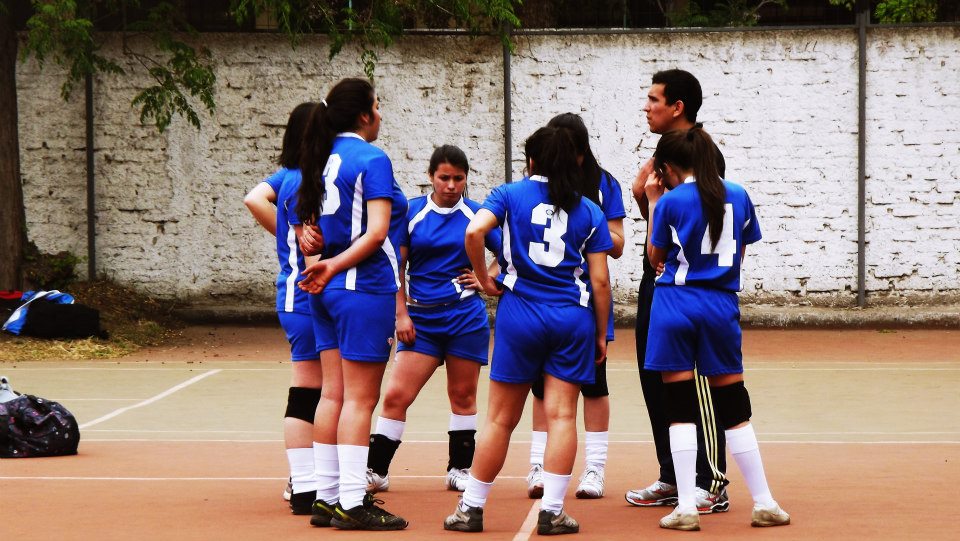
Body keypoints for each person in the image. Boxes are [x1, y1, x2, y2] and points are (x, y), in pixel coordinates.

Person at [443, 126, 612, 535]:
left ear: (531, 159)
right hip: (571, 316)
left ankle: (471, 507)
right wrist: (600, 333)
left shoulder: (508, 194)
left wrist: (485, 279)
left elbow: (473, 231)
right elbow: (601, 281)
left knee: (500, 419)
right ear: (574, 161)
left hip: (520, 313)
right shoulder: (590, 209)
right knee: (562, 416)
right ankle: (552, 511)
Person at [643, 125, 790, 531]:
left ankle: (686, 507)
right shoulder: (739, 195)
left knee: (679, 407)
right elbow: (739, 255)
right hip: (720, 305)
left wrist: (653, 201)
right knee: (734, 406)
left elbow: (655, 256)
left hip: (675, 304)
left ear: (668, 167)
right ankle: (764, 501)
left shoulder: (669, 201)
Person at [295, 78, 408, 531]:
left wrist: (318, 265)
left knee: (333, 394)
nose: (380, 114)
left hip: (326, 291)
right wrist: (332, 266)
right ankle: (351, 501)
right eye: (377, 106)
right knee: (361, 399)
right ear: (364, 114)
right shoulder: (371, 158)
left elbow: (305, 226)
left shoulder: (318, 157)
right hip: (363, 287)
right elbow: (377, 233)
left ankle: (326, 497)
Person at [365, 145, 501, 493]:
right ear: (430, 177)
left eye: (458, 178)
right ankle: (376, 471)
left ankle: (460, 468)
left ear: (466, 178)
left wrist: (486, 279)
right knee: (396, 395)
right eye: (444, 178)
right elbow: (396, 267)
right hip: (420, 321)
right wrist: (401, 315)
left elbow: (509, 254)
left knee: (463, 395)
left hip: (465, 318)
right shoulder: (411, 212)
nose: (451, 185)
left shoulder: (477, 214)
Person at [626, 69, 730, 514]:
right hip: (659, 282)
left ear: (677, 107)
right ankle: (673, 474)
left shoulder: (704, 156)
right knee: (657, 379)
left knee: (697, 388)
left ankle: (711, 481)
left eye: (654, 99)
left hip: (689, 289)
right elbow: (661, 219)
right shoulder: (662, 153)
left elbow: (701, 222)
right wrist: (643, 197)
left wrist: (649, 202)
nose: (647, 107)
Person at [526, 113, 625, 500]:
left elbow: (618, 243)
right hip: (541, 298)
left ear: (581, 151)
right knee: (541, 386)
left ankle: (595, 468)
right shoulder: (535, 186)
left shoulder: (602, 185)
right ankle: (538, 464)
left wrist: (589, 233)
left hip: (584, 299)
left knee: (594, 385)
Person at [242, 101, 322, 516]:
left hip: (294, 294)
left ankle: (307, 480)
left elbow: (253, 197)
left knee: (314, 389)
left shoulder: (288, 176)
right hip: (309, 295)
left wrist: (283, 236)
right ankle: (307, 482)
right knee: (313, 390)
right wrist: (289, 237)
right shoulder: (310, 181)